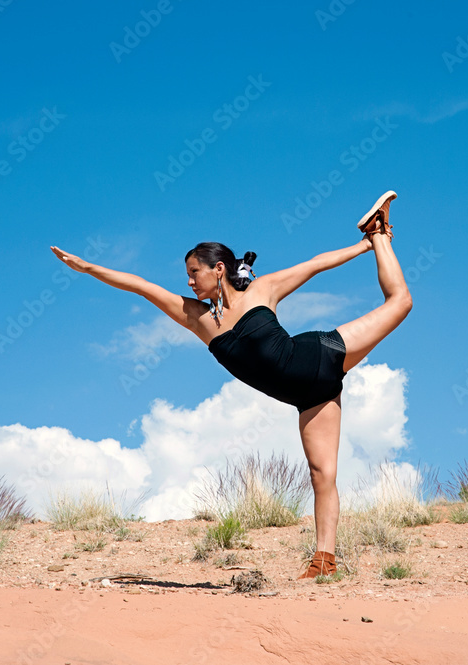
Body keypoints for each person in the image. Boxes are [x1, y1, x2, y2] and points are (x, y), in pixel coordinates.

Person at [50, 191, 412, 579]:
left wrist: (361, 248)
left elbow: (314, 266)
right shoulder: (198, 320)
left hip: (319, 355)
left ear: (218, 268)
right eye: (187, 276)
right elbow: (141, 286)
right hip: (310, 397)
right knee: (322, 474)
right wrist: (88, 268)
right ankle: (324, 561)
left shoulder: (261, 291)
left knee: (401, 302)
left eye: (195, 273)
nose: (189, 282)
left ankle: (379, 235)